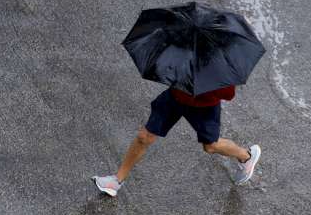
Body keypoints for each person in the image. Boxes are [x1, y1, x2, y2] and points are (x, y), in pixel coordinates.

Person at [92, 84, 261, 196]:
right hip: (175, 95)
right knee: (145, 136)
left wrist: (202, 83)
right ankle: (116, 181)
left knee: (211, 146)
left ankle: (246, 156)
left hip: (204, 106)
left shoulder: (222, 58)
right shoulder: (186, 38)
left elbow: (228, 94)